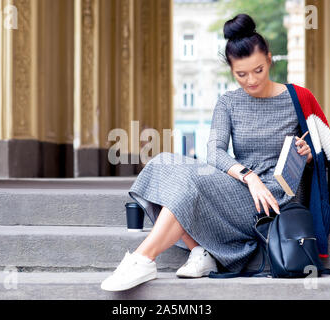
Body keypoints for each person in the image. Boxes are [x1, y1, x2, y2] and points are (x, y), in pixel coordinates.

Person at [101, 13, 314, 292]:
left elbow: (326, 152)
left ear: (270, 59)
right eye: (241, 74)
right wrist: (248, 177)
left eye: (258, 70)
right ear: (231, 70)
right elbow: (214, 151)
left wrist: (309, 154)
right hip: (243, 185)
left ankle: (144, 257)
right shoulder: (228, 102)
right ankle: (200, 251)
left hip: (274, 197)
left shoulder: (297, 98)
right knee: (163, 161)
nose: (251, 80)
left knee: (193, 181)